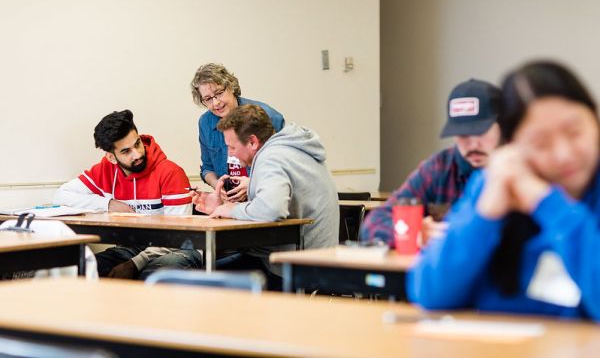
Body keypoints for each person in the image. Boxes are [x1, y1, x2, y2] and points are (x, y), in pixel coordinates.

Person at [409, 61, 600, 320]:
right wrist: (484, 216)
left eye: (575, 132)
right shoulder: (495, 182)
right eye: (541, 143)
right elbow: (430, 294)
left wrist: (546, 203)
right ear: (513, 146)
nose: (564, 154)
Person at [192, 104, 338, 287]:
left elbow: (272, 209)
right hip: (314, 262)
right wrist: (222, 209)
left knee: (198, 282)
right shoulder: (290, 150)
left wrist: (234, 209)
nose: (229, 153)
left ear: (252, 142)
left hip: (297, 269)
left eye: (231, 147)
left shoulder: (271, 158)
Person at [54, 110, 202, 279]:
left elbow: (179, 237)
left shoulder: (170, 172)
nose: (137, 154)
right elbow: (62, 195)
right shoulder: (105, 170)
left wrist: (135, 263)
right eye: (126, 151)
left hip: (180, 248)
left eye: (137, 144)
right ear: (111, 157)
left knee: (151, 274)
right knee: (81, 269)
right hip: (132, 248)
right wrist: (109, 204)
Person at [360, 79, 502, 246]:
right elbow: (373, 223)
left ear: (503, 127)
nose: (473, 144)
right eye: (462, 134)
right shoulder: (438, 169)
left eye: (481, 132)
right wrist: (415, 232)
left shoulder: (523, 168)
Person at [191, 63, 285, 202]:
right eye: (208, 99)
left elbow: (282, 167)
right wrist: (217, 186)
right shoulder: (205, 123)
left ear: (231, 87)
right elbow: (207, 168)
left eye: (219, 93)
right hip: (230, 204)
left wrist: (252, 184)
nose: (216, 103)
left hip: (265, 199)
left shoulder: (268, 116)